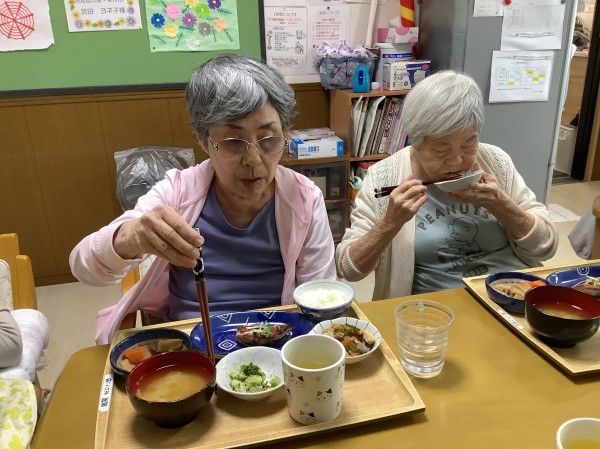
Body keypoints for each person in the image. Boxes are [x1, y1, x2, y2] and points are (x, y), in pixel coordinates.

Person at [70, 53, 336, 345]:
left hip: (277, 343)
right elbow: (84, 268)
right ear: (203, 139)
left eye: (268, 139)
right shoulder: (178, 193)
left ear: (285, 134)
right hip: (191, 345)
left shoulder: (304, 199)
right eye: (233, 142)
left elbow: (320, 298)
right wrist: (131, 237)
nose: (253, 159)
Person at [336, 70, 558, 300]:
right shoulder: (385, 177)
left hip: (514, 295)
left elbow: (546, 247)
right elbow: (348, 269)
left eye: (468, 144)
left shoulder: (494, 162)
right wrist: (390, 222)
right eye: (441, 149)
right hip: (437, 306)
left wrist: (502, 206)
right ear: (415, 141)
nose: (456, 160)